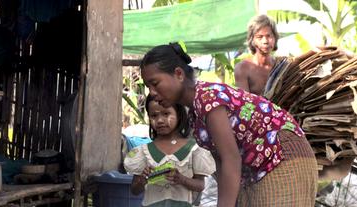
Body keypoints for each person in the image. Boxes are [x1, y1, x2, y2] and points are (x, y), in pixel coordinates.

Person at [139, 42, 318, 207]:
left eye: (155, 84)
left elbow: (231, 159)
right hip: (261, 167)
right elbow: (222, 165)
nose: (152, 93)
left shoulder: (208, 98)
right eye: (148, 87)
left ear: (178, 74)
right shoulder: (196, 114)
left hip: (282, 157)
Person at [124, 94, 215, 207]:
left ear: (179, 114)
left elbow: (200, 185)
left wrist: (181, 179)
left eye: (166, 114)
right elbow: (134, 190)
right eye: (154, 116)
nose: (160, 120)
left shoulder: (194, 150)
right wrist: (142, 179)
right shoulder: (144, 152)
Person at [234, 14, 288, 96]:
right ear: (252, 40)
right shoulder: (242, 69)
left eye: (269, 36)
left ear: (275, 38)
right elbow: (245, 103)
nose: (265, 41)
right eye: (260, 37)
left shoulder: (282, 66)